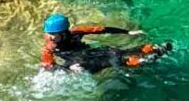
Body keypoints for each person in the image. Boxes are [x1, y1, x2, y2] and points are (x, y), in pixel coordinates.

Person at [40, 12, 172, 74]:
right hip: (78, 62)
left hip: (89, 52)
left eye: (53, 35)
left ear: (64, 33)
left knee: (113, 52)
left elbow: (101, 29)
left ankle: (149, 49)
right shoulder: (48, 50)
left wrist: (128, 32)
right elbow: (49, 67)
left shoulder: (76, 32)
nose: (50, 38)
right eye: (48, 34)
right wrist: (68, 69)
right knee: (110, 61)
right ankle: (141, 60)